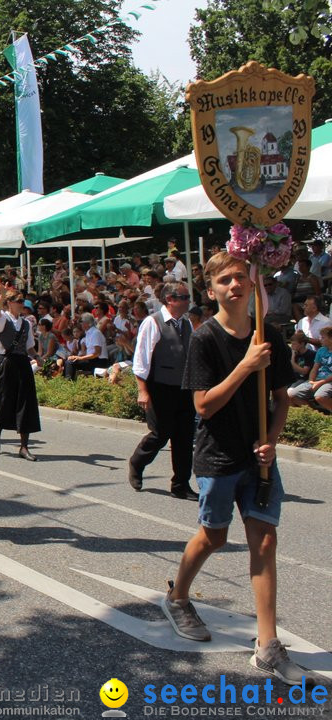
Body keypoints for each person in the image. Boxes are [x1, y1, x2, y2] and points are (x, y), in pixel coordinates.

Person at [162, 252, 303, 685]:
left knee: (264, 543)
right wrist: (245, 366)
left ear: (251, 282)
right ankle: (179, 595)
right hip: (218, 456)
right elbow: (203, 404)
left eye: (241, 277)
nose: (234, 285)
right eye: (225, 280)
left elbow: (281, 398)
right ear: (212, 290)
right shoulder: (205, 338)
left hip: (257, 456)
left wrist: (272, 441)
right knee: (214, 535)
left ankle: (266, 645)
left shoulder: (269, 335)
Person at [128, 281, 199, 500]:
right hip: (160, 387)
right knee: (161, 433)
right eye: (184, 297)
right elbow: (141, 360)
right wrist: (143, 390)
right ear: (170, 299)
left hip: (183, 388)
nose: (189, 301)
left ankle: (181, 484)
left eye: (188, 297)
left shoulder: (186, 324)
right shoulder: (153, 322)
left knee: (184, 437)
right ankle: (137, 462)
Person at [0, 287, 40, 460]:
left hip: (22, 362)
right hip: (7, 363)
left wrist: (37, 357)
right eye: (19, 301)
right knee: (4, 401)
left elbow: (29, 346)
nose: (23, 304)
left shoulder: (26, 323)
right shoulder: (2, 319)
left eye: (23, 301)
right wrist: (0, 296)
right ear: (10, 303)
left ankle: (24, 447)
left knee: (26, 403)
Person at [287, 326, 332, 412]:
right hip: (317, 379)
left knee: (320, 396)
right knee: (292, 395)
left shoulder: (309, 354)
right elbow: (315, 368)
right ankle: (315, 415)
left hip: (329, 381)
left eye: (323, 337)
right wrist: (311, 381)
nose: (320, 339)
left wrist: (320, 382)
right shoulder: (321, 350)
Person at [63, 313, 110, 380]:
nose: (80, 324)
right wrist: (77, 356)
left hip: (99, 361)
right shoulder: (89, 333)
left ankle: (68, 382)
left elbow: (97, 353)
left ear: (88, 323)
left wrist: (80, 358)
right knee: (69, 360)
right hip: (92, 359)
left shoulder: (95, 333)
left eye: (81, 322)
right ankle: (66, 381)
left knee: (70, 363)